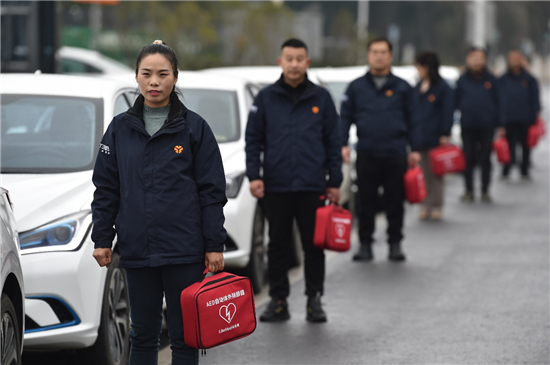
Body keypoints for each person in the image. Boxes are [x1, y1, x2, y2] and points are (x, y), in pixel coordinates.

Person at [91, 40, 227, 365]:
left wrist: (214, 244)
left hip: (185, 250)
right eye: (147, 74)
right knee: (142, 335)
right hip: (137, 249)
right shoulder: (120, 129)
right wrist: (102, 238)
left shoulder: (194, 128)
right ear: (136, 77)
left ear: (175, 78)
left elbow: (211, 191)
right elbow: (106, 187)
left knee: (183, 337)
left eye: (163, 74)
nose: (154, 81)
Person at [245, 38, 342, 323]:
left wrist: (334, 180)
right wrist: (254, 176)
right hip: (277, 184)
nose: (295, 64)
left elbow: (333, 142)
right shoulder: (265, 98)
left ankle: (314, 299)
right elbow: (253, 140)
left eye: (300, 59)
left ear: (307, 63)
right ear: (280, 62)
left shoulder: (321, 98)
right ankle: (278, 300)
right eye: (289, 58)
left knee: (314, 245)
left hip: (313, 184)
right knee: (278, 244)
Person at [340, 38, 421, 262]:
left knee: (395, 201)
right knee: (366, 201)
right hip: (367, 152)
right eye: (375, 52)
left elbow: (414, 119)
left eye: (383, 52)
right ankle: (365, 244)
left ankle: (395, 243)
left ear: (390, 56)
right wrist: (343, 143)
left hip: (395, 152)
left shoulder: (403, 87)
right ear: (368, 55)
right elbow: (345, 117)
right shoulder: (356, 87)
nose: (379, 56)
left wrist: (414, 148)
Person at [455, 47, 504, 203]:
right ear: (468, 60)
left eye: (479, 58)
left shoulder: (492, 80)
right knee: (468, 158)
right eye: (473, 58)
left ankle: (485, 190)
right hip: (467, 124)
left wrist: (501, 125)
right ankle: (469, 190)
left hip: (487, 125)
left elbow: (500, 103)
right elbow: (454, 102)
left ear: (484, 60)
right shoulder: (462, 80)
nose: (476, 61)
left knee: (485, 158)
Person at [413, 52, 455, 220]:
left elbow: (448, 111)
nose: (417, 70)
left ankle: (437, 205)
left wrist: (445, 132)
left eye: (419, 67)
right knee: (422, 173)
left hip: (436, 137)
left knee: (436, 174)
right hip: (419, 136)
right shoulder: (418, 86)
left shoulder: (443, 88)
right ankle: (425, 204)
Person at [498, 50, 541, 180]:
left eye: (517, 58)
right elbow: (498, 100)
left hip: (525, 118)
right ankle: (506, 169)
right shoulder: (503, 79)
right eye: (512, 59)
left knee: (525, 146)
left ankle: (524, 169)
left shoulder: (529, 79)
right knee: (508, 145)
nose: (515, 61)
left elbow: (535, 99)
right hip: (508, 118)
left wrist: (535, 115)